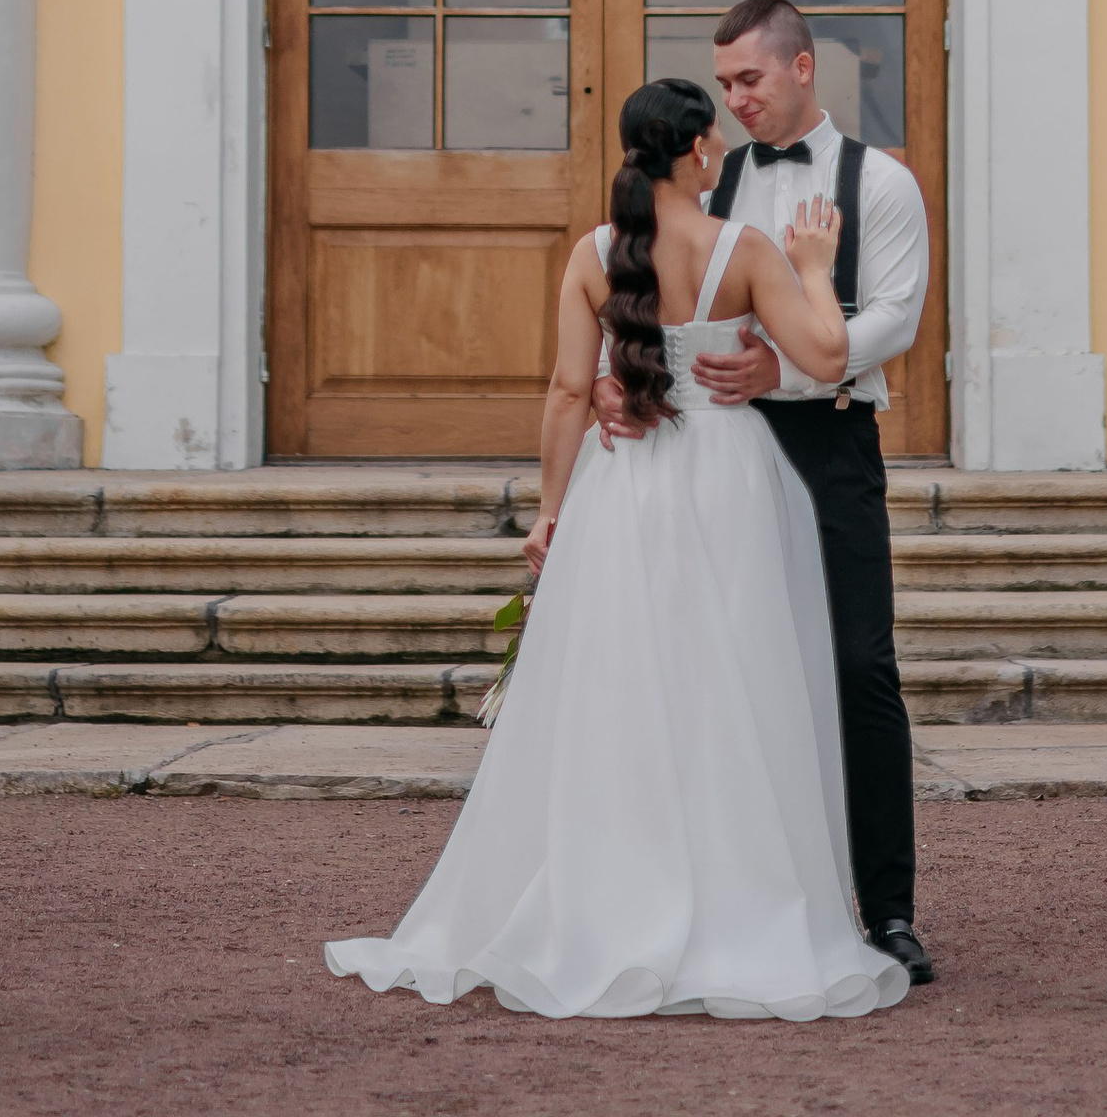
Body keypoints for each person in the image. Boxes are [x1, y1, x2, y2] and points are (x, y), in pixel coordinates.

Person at [325, 78, 911, 1023]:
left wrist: (550, 512)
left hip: (623, 487)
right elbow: (829, 355)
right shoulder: (747, 249)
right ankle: (739, 899)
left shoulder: (595, 253)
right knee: (733, 687)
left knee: (620, 689)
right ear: (700, 153)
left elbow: (567, 390)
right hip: (727, 481)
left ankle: (608, 897)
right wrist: (813, 265)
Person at [622, 0, 934, 987]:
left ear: (803, 67)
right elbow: (665, 293)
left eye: (747, 78)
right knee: (722, 671)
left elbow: (894, 314)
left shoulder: (883, 182)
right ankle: (726, 903)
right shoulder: (703, 183)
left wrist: (788, 371)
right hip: (720, 444)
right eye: (721, 84)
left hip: (830, 444)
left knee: (855, 666)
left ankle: (886, 910)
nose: (732, 100)